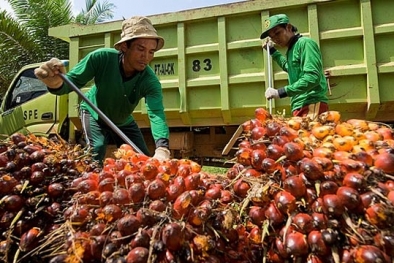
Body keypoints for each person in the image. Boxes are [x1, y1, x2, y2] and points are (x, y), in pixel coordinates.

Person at [35, 16, 171, 162]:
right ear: (124, 46)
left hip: (123, 121)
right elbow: (72, 81)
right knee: (96, 149)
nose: (146, 57)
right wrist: (55, 84)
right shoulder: (101, 58)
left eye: (151, 52)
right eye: (140, 49)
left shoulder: (150, 81)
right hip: (93, 113)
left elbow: (156, 113)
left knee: (142, 159)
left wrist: (162, 148)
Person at [261, 14, 329, 119]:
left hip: (311, 102)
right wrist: (273, 52)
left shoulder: (305, 43)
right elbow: (290, 68)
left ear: (288, 27)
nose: (275, 39)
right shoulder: (291, 50)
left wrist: (280, 92)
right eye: (272, 37)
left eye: (277, 33)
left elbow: (312, 78)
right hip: (300, 106)